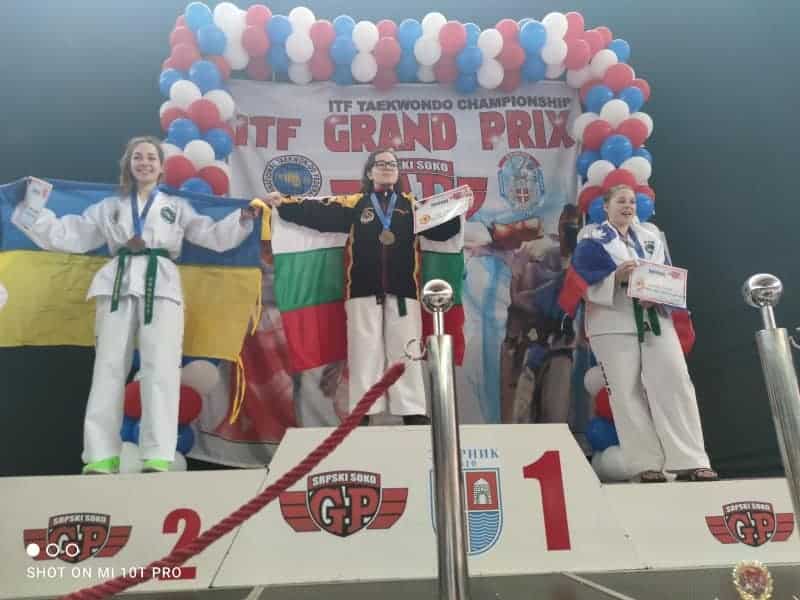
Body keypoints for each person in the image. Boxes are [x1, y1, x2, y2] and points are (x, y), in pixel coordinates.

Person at [11, 136, 260, 474]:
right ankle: (100, 454)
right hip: (118, 282)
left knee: (162, 368)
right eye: (138, 157)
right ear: (128, 164)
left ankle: (158, 451)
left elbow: (212, 235)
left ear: (161, 166)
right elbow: (71, 234)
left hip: (162, 284)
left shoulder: (176, 206)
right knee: (108, 368)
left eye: (151, 158)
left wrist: (243, 216)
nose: (144, 163)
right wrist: (33, 208)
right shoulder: (109, 206)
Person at [263, 148, 461, 425]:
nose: (387, 167)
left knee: (407, 350)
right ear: (369, 172)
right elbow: (319, 213)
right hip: (361, 292)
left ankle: (412, 410)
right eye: (381, 164)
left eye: (392, 164)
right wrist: (284, 205)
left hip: (404, 292)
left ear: (398, 173)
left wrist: (456, 208)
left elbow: (444, 231)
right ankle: (363, 410)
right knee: (364, 352)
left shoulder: (413, 207)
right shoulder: (356, 204)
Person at [568, 184, 717, 483]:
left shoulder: (651, 239)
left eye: (632, 202)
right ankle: (646, 464)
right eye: (621, 201)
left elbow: (667, 277)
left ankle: (691, 460)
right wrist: (615, 277)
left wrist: (659, 294)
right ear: (606, 207)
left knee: (676, 381)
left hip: (654, 318)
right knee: (626, 392)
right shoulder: (592, 240)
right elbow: (580, 283)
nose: (628, 206)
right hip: (612, 322)